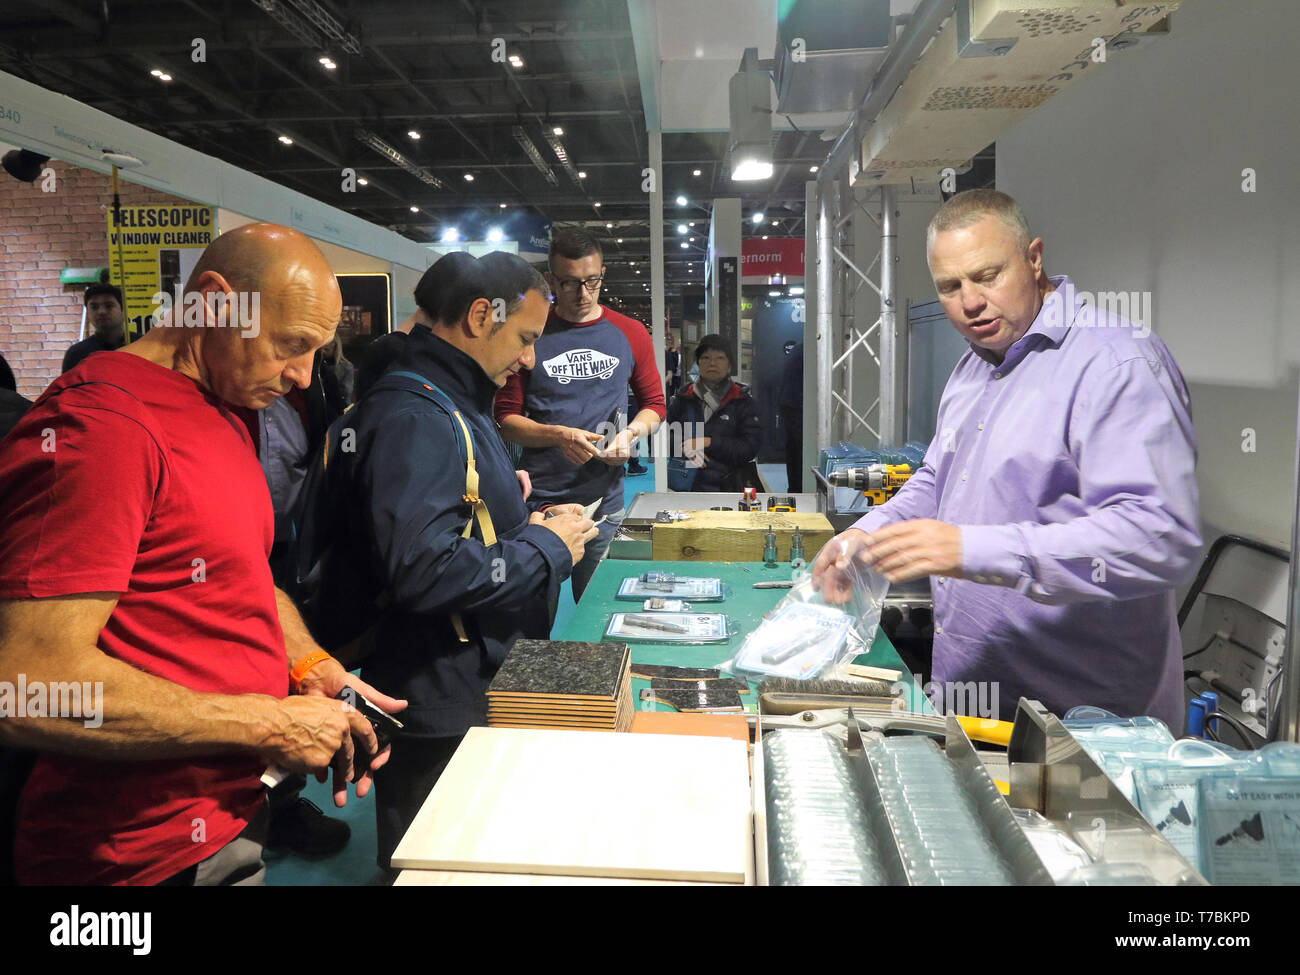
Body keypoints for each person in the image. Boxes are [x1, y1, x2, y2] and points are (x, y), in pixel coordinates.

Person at [0, 223, 404, 885]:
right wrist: (271, 723)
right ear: (215, 304)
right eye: (291, 346)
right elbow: (24, 684)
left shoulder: (225, 406)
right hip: (131, 857)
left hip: (228, 819)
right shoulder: (103, 428)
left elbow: (244, 576)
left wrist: (308, 664)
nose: (303, 376)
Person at [812, 189, 1200, 731]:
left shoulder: (1116, 363)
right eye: (950, 287)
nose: (970, 302)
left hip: (1086, 724)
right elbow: (936, 480)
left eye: (987, 275)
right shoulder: (973, 367)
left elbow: (1160, 538)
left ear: (1034, 258)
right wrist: (866, 535)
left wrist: (973, 549)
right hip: (975, 701)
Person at [319, 251, 597, 868]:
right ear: (479, 316)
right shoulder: (418, 414)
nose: (529, 359)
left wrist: (519, 521)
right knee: (436, 860)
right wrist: (547, 549)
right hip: (437, 695)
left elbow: (449, 522)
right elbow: (423, 568)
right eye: (524, 339)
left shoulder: (447, 397)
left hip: (460, 679)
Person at [495, 228, 665, 601]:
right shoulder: (532, 331)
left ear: (602, 274)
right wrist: (557, 435)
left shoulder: (630, 332)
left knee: (601, 616)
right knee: (531, 623)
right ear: (553, 280)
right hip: (541, 508)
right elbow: (505, 419)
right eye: (570, 284)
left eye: (592, 281)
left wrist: (631, 435)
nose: (583, 294)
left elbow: (655, 404)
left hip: (605, 505)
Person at [666, 334, 763, 492]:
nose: (712, 363)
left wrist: (709, 442)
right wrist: (683, 447)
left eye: (719, 358)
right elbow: (664, 437)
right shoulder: (683, 398)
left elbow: (750, 447)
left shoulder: (742, 401)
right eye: (705, 358)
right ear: (698, 363)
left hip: (730, 488)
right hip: (687, 488)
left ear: (729, 366)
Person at [62, 283, 126, 372]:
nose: (101, 312)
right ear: (88, 312)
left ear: (122, 310)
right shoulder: (77, 354)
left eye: (109, 306)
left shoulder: (140, 344)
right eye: (94, 307)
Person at [778, 340, 804, 492]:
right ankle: (798, 489)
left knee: (794, 451)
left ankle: (795, 489)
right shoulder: (807, 348)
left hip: (790, 404)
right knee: (799, 452)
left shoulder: (800, 348)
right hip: (796, 406)